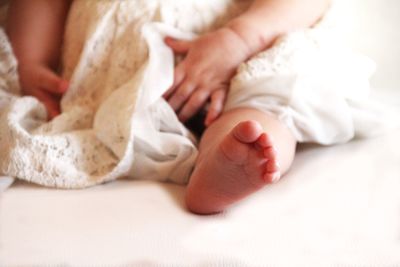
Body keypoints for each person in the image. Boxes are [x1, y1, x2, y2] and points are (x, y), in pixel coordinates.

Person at [6, 0, 332, 214]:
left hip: (232, 58)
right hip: (108, 77)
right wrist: (33, 59)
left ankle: (230, 156)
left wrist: (240, 38)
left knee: (271, 95)